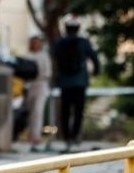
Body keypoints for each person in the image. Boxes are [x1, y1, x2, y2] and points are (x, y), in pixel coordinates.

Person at [52, 21, 101, 150]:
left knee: (65, 111)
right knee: (79, 110)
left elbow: (54, 60)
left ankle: (66, 137)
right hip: (80, 82)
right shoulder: (83, 42)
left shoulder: (59, 43)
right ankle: (75, 136)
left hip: (64, 83)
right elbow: (94, 57)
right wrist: (96, 71)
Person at [23, 35, 53, 146]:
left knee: (38, 111)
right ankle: (30, 134)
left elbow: (48, 73)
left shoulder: (44, 56)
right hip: (30, 86)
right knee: (30, 111)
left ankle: (36, 136)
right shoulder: (27, 56)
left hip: (41, 85)